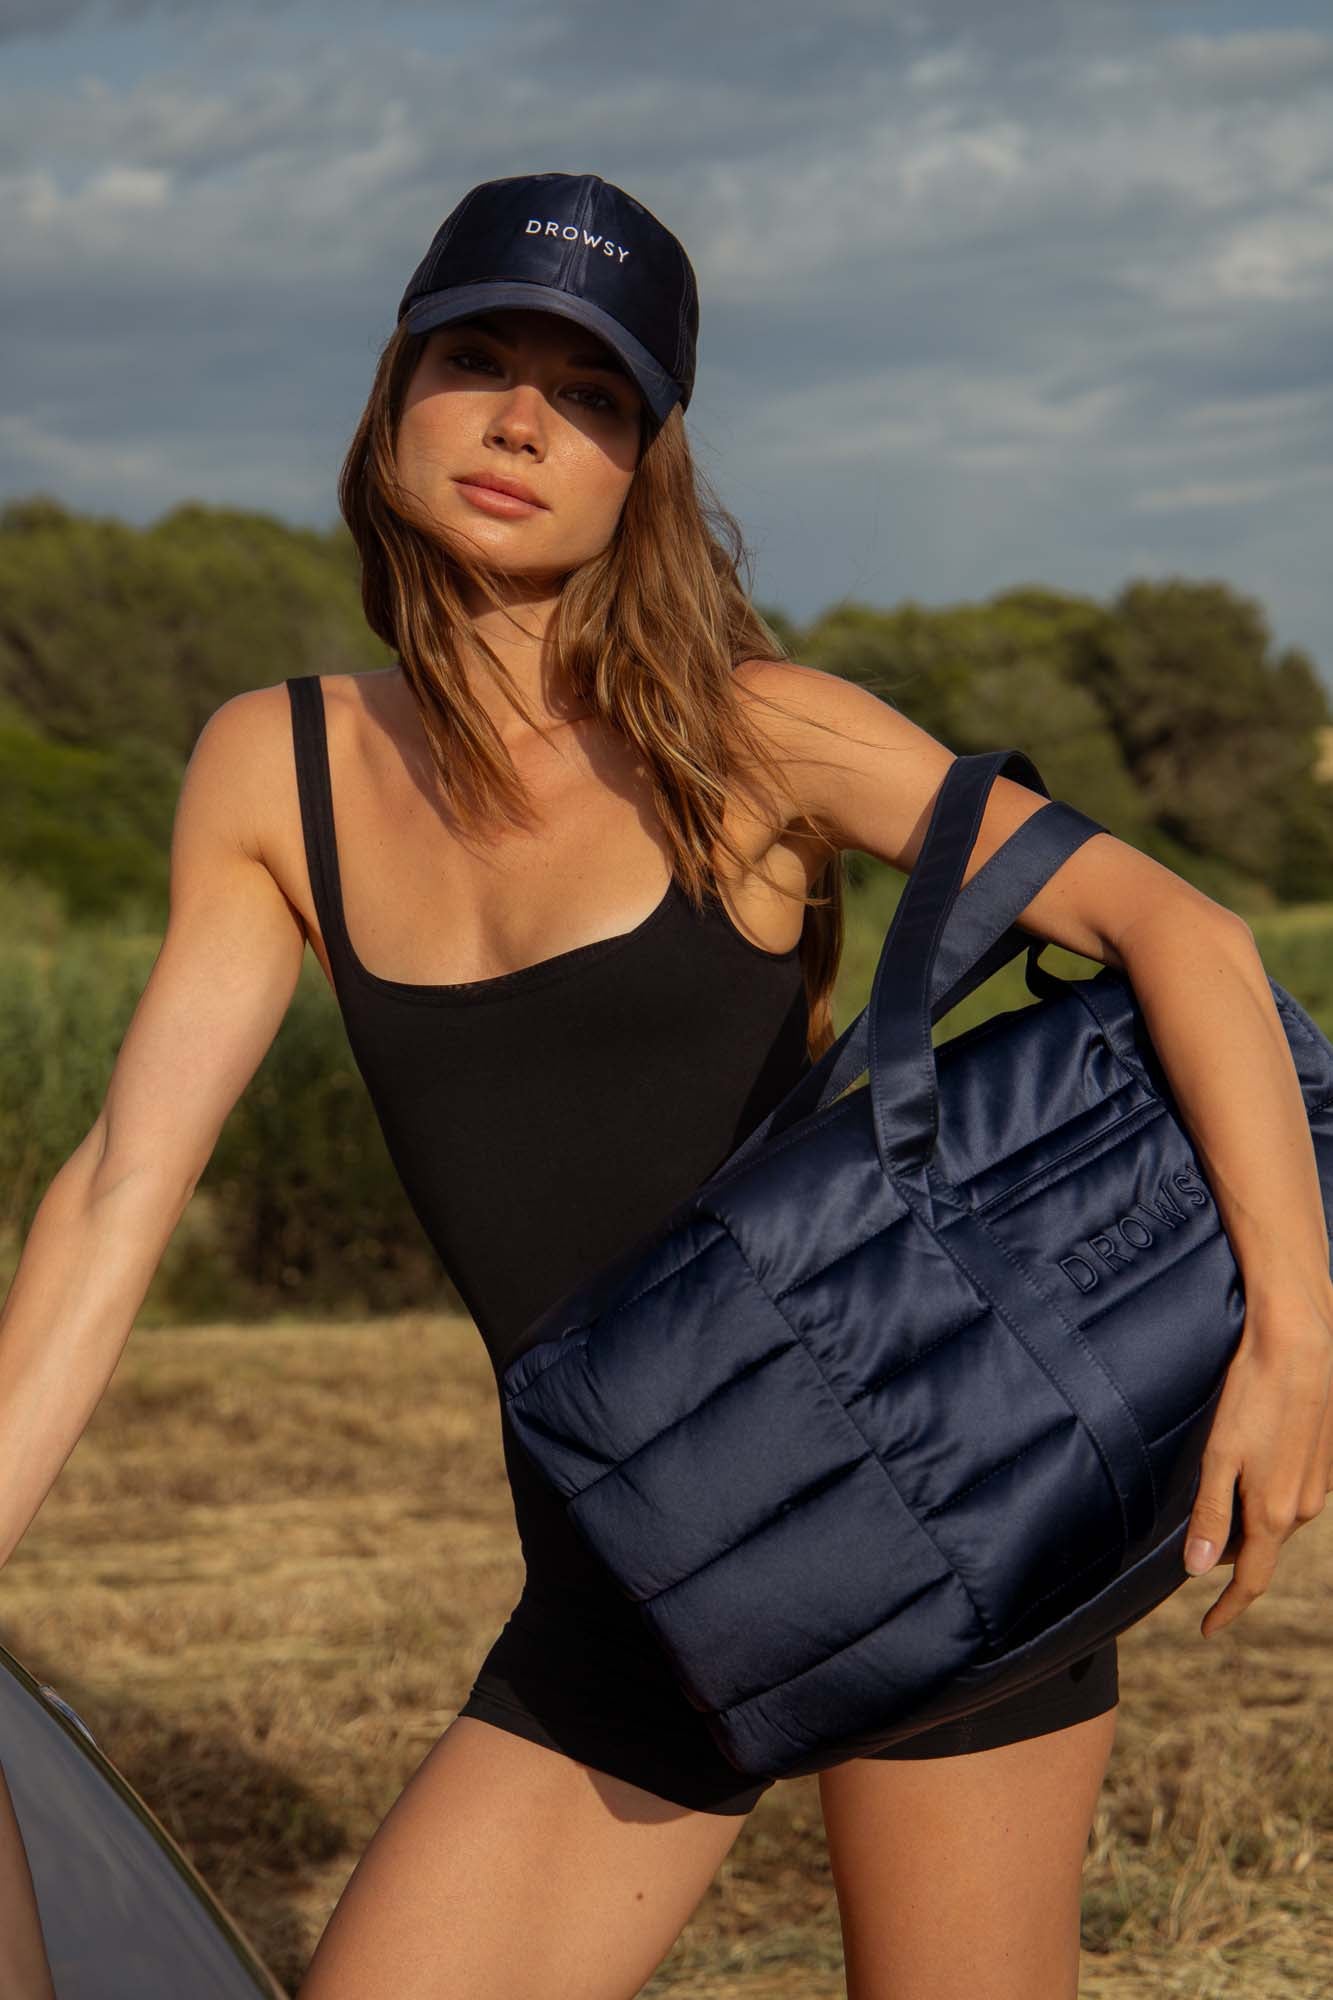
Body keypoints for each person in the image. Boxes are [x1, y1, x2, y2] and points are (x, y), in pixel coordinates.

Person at [8, 169, 1321, 2000]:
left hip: (925, 1493)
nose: (521, 422)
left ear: (643, 467)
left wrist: (1293, 1344)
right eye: (478, 360)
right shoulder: (273, 767)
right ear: (395, 390)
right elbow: (122, 1183)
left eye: (592, 395)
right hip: (622, 1572)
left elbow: (1181, 933)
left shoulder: (749, 726)